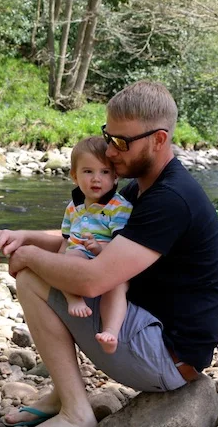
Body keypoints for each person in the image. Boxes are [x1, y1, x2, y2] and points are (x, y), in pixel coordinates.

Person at [0, 81, 218, 427]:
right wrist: (25, 236)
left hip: (165, 357)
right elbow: (83, 238)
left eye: (121, 142)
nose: (110, 152)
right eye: (108, 136)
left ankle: (76, 412)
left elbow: (93, 279)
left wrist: (28, 255)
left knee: (30, 276)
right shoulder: (139, 188)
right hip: (154, 334)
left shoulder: (171, 199)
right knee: (48, 267)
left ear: (159, 140)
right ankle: (64, 393)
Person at [57, 136, 133, 355]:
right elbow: (65, 240)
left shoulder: (118, 207)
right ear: (74, 176)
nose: (96, 179)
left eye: (105, 172)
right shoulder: (74, 207)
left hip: (111, 260)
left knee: (117, 287)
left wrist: (100, 250)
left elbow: (123, 247)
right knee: (66, 261)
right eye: (88, 172)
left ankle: (111, 331)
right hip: (80, 254)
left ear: (116, 177)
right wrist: (59, 262)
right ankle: (74, 299)